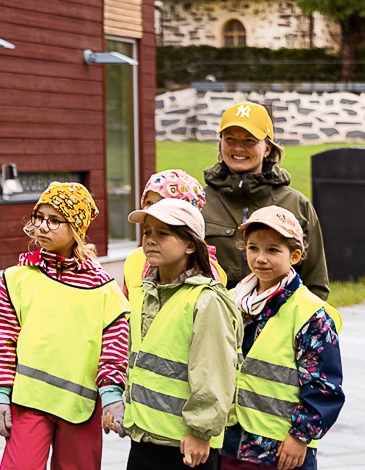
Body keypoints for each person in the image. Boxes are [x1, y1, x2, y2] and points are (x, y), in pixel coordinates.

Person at [0, 182, 129, 470]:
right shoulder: (17, 279)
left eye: (54, 220)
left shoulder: (103, 289)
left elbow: (115, 346)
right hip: (28, 404)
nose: (43, 227)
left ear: (76, 228)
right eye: (39, 218)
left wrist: (111, 396)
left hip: (81, 408)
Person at [220, 206, 344, 470]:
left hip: (282, 450)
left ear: (295, 255)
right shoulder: (233, 300)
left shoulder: (310, 313)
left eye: (273, 250)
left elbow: (325, 386)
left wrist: (300, 436)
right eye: (253, 248)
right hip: (230, 442)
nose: (260, 258)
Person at [123, 198, 242, 470]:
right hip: (145, 435)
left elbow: (213, 372)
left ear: (190, 244)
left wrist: (200, 431)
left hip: (186, 445)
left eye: (163, 233)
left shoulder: (206, 300)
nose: (151, 240)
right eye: (147, 232)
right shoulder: (146, 291)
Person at [203, 102, 328, 299]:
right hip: (214, 324)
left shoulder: (297, 204)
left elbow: (316, 283)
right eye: (230, 139)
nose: (238, 148)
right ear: (221, 144)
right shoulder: (199, 202)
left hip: (278, 324)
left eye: (249, 140)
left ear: (267, 148)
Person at [123, 169, 226, 295]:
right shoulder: (135, 259)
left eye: (163, 203)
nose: (153, 209)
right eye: (149, 202)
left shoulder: (206, 271)